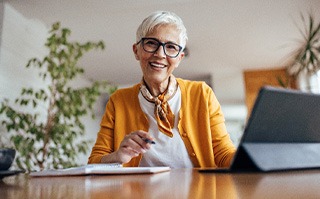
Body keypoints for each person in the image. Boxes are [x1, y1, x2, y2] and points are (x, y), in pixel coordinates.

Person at [88, 11, 236, 168]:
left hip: (197, 191)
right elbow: (94, 161)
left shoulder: (202, 93)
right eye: (151, 43)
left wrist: (249, 157)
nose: (160, 54)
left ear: (179, 58)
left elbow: (223, 154)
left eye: (171, 47)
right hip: (138, 192)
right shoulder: (118, 101)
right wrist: (118, 156)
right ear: (136, 51)